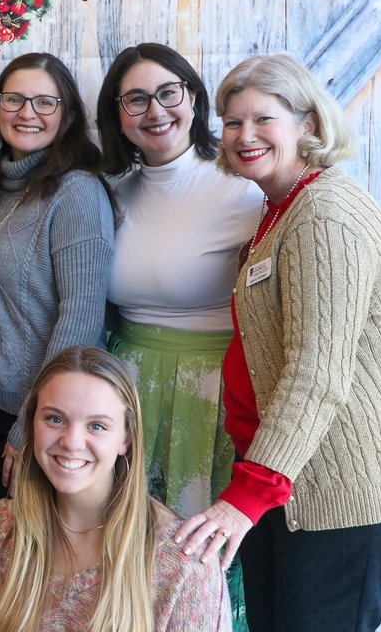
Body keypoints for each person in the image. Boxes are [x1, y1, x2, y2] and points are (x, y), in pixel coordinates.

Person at [177, 53, 381, 632]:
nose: (244, 136)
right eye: (232, 123)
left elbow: (317, 373)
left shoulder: (324, 214)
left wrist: (248, 496)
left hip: (335, 498)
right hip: (284, 486)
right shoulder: (281, 211)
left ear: (308, 124)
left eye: (263, 120)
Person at [0, 52, 114, 514]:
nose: (26, 113)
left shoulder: (76, 193)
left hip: (34, 420)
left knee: (25, 564)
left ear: (69, 115)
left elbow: (80, 319)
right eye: (13, 99)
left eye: (44, 102)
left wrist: (33, 424)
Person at [95, 44, 261, 518]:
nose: (156, 111)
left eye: (169, 92)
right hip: (128, 386)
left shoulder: (244, 187)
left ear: (193, 98)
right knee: (131, 539)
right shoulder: (111, 194)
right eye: (136, 99)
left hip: (214, 392)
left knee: (197, 544)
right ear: (119, 115)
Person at [0, 347, 231, 632]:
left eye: (96, 425)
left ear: (126, 440)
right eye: (55, 419)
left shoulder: (183, 563)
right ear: (32, 424)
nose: (72, 442)